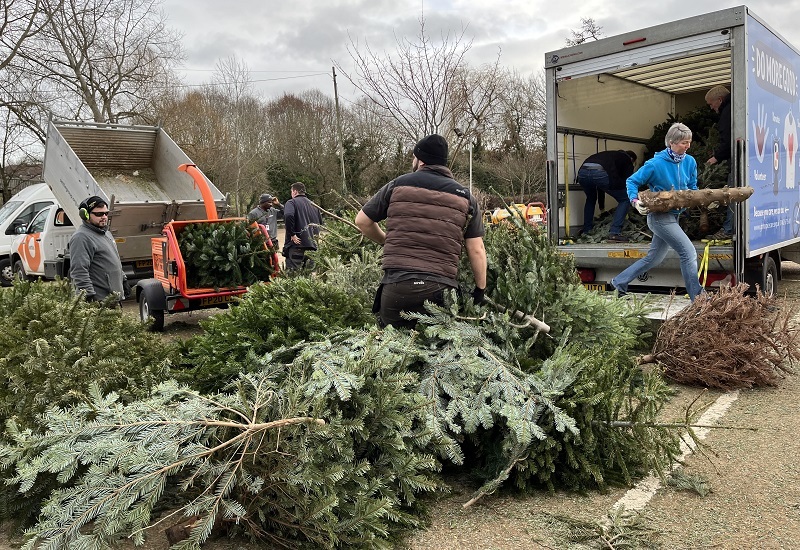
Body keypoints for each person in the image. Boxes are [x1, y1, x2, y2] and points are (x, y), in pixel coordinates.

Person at [355, 134, 488, 329]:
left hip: (398, 287)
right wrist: (480, 290)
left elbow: (362, 221)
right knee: (439, 353)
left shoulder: (397, 185)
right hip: (441, 289)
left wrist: (385, 240)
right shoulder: (465, 197)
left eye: (413, 157)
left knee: (391, 351)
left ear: (421, 160)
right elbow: (477, 249)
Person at [610, 123, 703, 301]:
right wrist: (635, 201)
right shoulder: (654, 164)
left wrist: (702, 199)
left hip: (674, 217)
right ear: (671, 142)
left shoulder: (690, 162)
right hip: (659, 217)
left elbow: (692, 187)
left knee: (654, 258)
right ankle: (698, 298)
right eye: (684, 142)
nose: (688, 146)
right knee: (688, 253)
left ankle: (619, 282)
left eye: (689, 142)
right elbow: (632, 181)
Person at [69, 195, 130, 304]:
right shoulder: (81, 238)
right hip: (99, 303)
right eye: (98, 214)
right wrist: (89, 296)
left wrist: (123, 279)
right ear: (85, 215)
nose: (104, 217)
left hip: (113, 300)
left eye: (106, 213)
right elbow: (79, 271)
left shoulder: (106, 233)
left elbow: (113, 261)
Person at [577, 150, 637, 241]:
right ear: (632, 159)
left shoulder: (610, 155)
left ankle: (586, 230)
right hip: (599, 172)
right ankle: (614, 232)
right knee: (625, 199)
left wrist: (602, 207)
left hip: (582, 172)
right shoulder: (626, 159)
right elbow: (629, 182)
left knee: (591, 198)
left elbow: (600, 187)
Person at [704, 85, 734, 240]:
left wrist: (716, 157)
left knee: (732, 195)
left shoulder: (727, 113)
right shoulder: (734, 108)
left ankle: (728, 230)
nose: (711, 108)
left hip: (736, 161)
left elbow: (727, 139)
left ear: (720, 100)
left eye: (711, 104)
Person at [282, 182, 322, 271]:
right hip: (312, 248)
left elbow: (288, 215)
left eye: (291, 192)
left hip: (297, 246)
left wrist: (292, 234)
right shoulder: (314, 206)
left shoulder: (291, 203)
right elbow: (319, 224)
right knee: (308, 279)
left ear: (295, 192)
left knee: (293, 276)